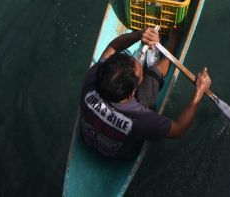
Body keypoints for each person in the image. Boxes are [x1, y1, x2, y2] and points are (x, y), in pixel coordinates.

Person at [78, 27, 212, 160]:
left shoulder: (92, 78)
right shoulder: (141, 119)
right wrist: (199, 90)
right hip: (122, 154)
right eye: (140, 76)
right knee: (152, 76)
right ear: (131, 94)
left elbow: (114, 45)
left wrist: (140, 35)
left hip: (87, 138)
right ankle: (173, 44)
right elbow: (180, 130)